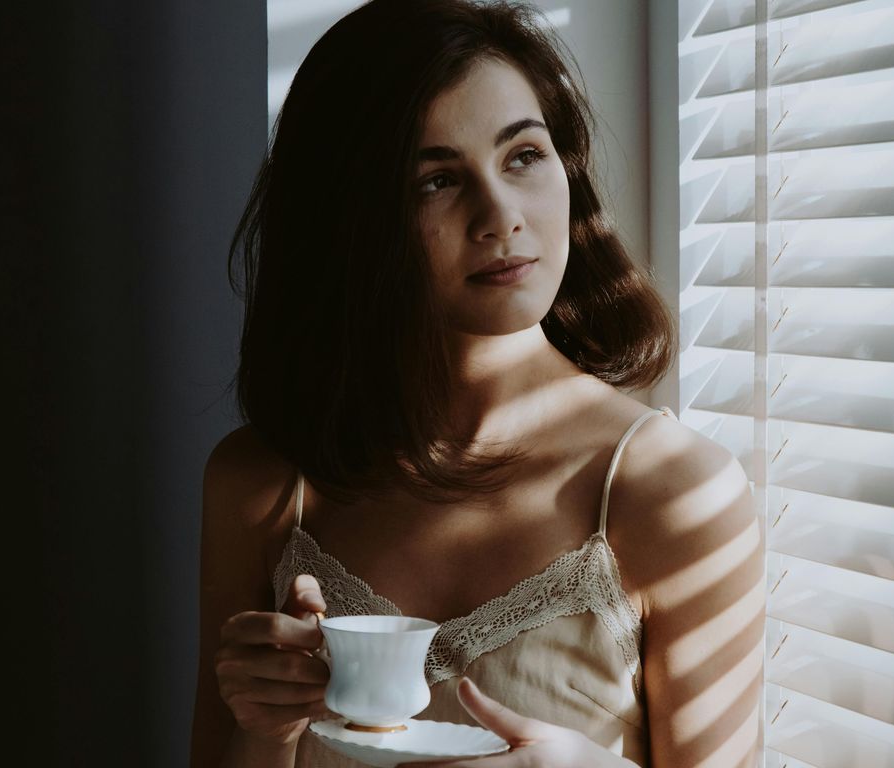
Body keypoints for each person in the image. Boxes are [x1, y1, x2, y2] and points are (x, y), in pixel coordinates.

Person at [189, 1, 764, 766]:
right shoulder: (262, 487)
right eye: (437, 181)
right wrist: (264, 730)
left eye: (523, 155)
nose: (500, 216)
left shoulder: (669, 494)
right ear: (351, 221)